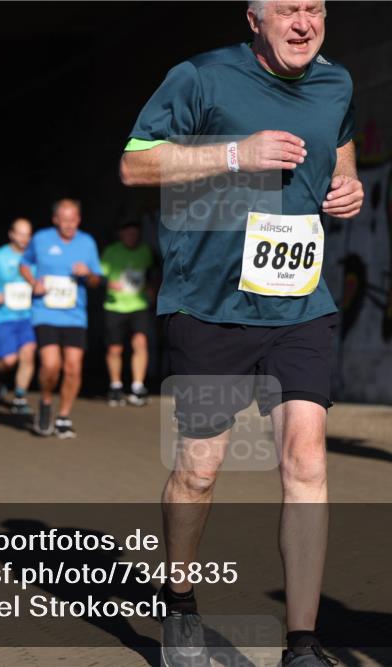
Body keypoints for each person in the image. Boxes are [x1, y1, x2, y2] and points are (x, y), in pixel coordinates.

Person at [119, 1, 362, 664]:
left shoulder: (335, 82)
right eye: (289, 9)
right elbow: (135, 164)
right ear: (255, 17)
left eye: (315, 9)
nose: (304, 22)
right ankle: (180, 602)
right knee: (199, 469)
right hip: (209, 303)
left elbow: (342, 147)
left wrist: (348, 185)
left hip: (300, 302)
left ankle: (303, 644)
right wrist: (235, 153)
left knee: (306, 460)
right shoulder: (200, 77)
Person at [20, 199, 102, 438]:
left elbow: (97, 280)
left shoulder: (87, 243)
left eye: (73, 219)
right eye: (64, 220)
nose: (69, 224)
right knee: (50, 364)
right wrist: (34, 283)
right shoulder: (41, 239)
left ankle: (64, 416)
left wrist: (87, 274)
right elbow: (24, 264)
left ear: (79, 219)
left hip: (74, 315)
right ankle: (46, 401)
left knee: (73, 368)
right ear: (55, 219)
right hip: (45, 311)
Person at [0, 218, 37, 418]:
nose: (24, 238)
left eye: (28, 234)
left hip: (28, 315)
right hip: (4, 316)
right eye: (20, 233)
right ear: (11, 234)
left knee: (28, 353)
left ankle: (20, 397)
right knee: (9, 360)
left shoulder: (35, 256)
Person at [100, 219, 155, 407]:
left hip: (138, 305)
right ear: (121, 234)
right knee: (115, 348)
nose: (132, 237)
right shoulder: (112, 252)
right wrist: (108, 283)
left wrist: (150, 288)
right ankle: (115, 386)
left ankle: (138, 386)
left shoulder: (145, 251)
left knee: (141, 342)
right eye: (128, 233)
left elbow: (150, 273)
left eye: (135, 234)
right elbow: (99, 275)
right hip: (115, 306)